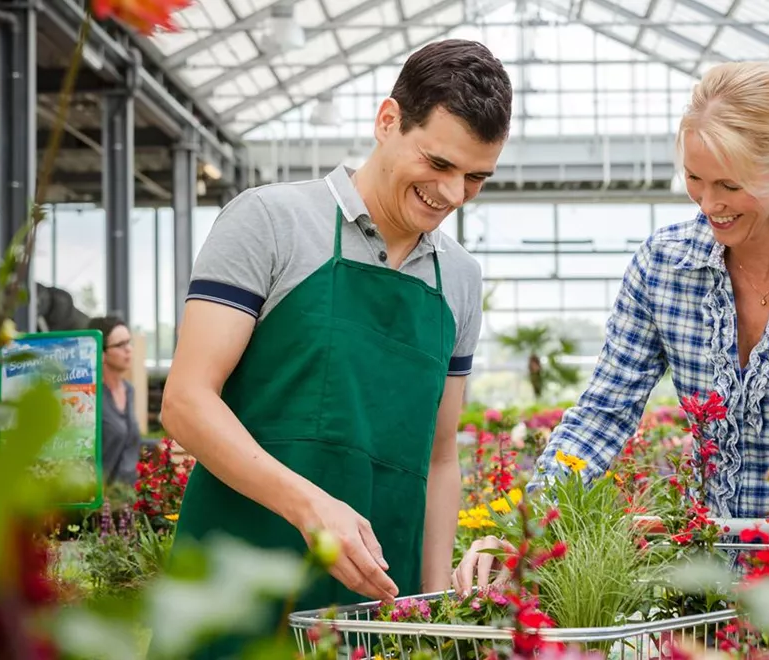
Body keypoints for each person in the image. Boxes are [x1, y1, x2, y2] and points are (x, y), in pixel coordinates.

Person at [452, 61, 769, 593]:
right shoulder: (665, 266)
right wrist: (527, 521)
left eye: (730, 184)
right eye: (695, 179)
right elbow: (603, 413)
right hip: (713, 586)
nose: (709, 204)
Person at [161, 39, 512, 654]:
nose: (454, 194)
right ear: (387, 121)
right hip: (231, 588)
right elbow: (187, 402)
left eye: (475, 177)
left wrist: (434, 620)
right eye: (438, 163)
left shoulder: (459, 279)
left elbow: (439, 458)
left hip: (374, 613)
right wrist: (310, 506)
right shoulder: (269, 221)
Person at [87, 316, 141, 486]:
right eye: (120, 345)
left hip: (128, 499)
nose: (129, 349)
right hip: (98, 500)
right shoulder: (90, 395)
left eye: (129, 342)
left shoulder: (129, 390)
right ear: (101, 353)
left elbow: (128, 441)